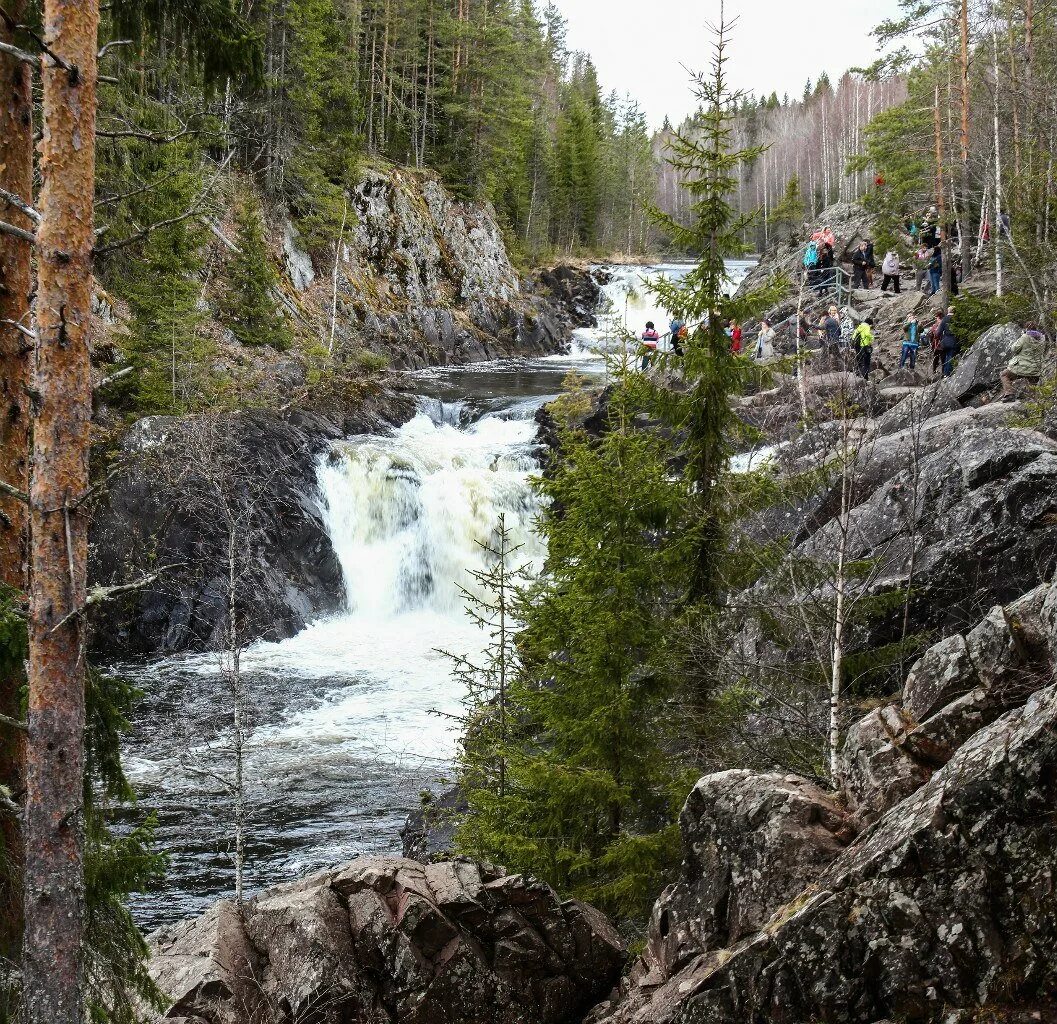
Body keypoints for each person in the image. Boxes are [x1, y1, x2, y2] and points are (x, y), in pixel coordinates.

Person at [999, 323, 1046, 399]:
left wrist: (1020, 338)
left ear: (1026, 328)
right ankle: (1034, 402)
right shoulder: (1042, 339)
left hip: (1022, 367)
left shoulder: (1025, 337)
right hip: (1036, 369)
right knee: (1032, 386)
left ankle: (1010, 394)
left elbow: (1014, 349)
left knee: (1004, 375)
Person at [938, 306, 959, 377]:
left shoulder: (944, 319)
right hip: (953, 340)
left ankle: (945, 373)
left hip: (945, 341)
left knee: (946, 357)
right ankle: (947, 373)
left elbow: (939, 332)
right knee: (950, 357)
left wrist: (940, 339)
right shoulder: (957, 319)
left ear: (948, 311)